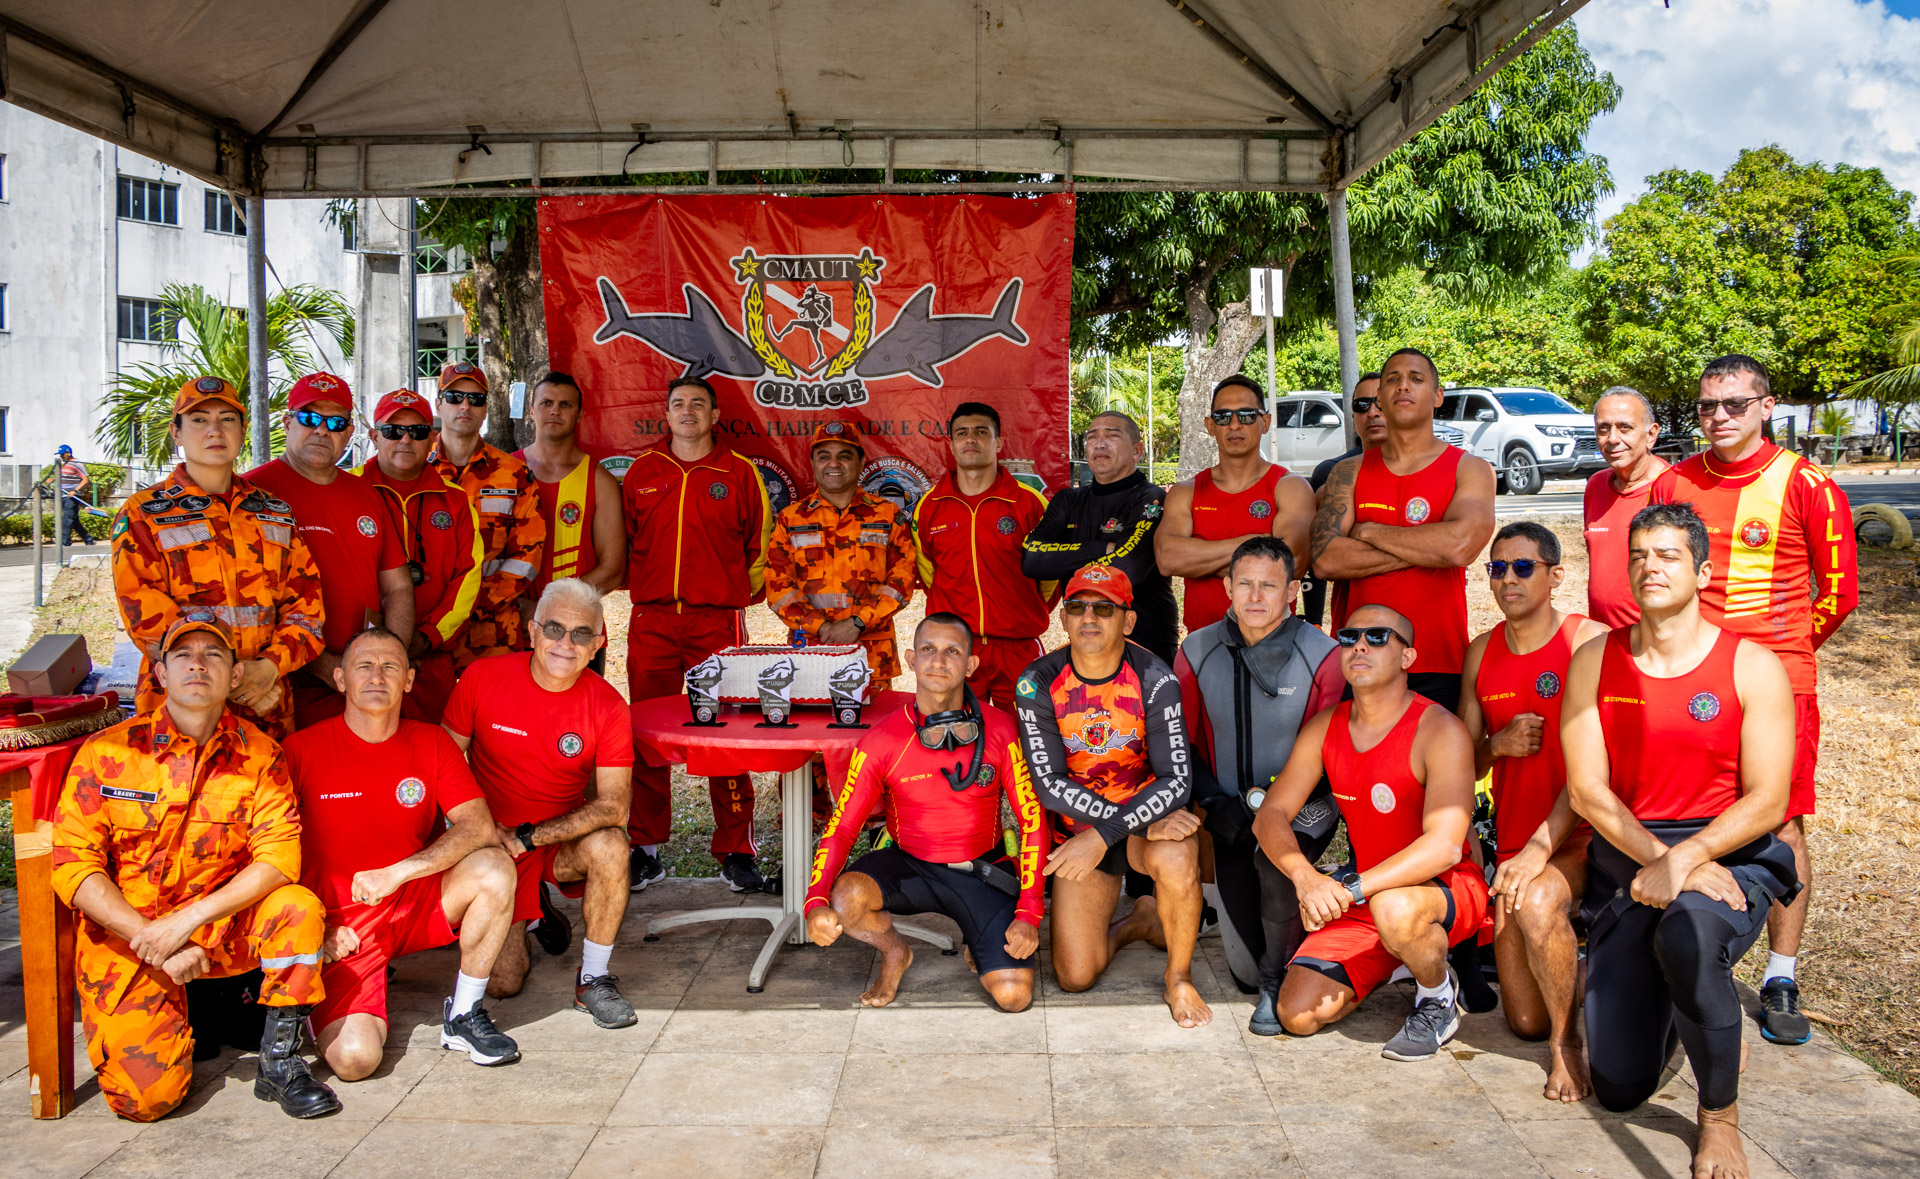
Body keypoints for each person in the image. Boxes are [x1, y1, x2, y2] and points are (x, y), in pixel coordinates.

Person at [1562, 502, 1798, 1179]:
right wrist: (1659, 861)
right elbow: (1587, 793)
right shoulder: (1595, 661)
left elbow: (1770, 798)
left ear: (1703, 568)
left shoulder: (1751, 666)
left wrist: (1689, 858)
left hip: (1728, 859)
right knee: (1619, 1087)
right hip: (1631, 863)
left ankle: (1719, 1116)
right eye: (1637, 555)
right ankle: (1696, 1005)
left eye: (1666, 554)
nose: (1649, 567)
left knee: (1690, 936)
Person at [50, 613, 339, 1121]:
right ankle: (191, 1013)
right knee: (146, 1101)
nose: (197, 665)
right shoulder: (109, 752)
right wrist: (152, 937)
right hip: (130, 937)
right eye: (183, 655)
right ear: (160, 674)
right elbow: (74, 867)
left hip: (214, 928)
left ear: (234, 676)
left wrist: (185, 923)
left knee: (297, 908)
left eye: (214, 655)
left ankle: (279, 1061)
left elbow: (278, 859)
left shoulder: (261, 755)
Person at [1651, 354, 1858, 1046]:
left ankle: (1780, 973)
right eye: (1708, 405)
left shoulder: (1806, 482)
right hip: (1689, 682)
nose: (1718, 417)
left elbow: (1839, 591)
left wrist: (1775, 661)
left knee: (1785, 821)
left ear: (1767, 406)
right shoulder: (1675, 482)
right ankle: (1679, 942)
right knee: (1686, 804)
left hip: (1779, 683)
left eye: (1735, 404)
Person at [1253, 604, 1487, 1060]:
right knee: (1296, 1014)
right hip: (1368, 893)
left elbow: (1443, 848)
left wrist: (1351, 888)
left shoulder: (1440, 729)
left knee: (1395, 908)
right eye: (1350, 636)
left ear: (1408, 657)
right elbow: (1270, 815)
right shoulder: (1326, 727)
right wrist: (1307, 878)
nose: (1360, 645)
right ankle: (1404, 958)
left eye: (1379, 637)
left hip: (1447, 886)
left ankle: (1437, 996)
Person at [287, 627, 521, 1079]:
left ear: (409, 681)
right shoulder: (300, 750)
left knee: (493, 866)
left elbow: (477, 826)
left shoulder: (431, 742)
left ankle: (464, 1016)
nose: (378, 676)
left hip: (412, 901)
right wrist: (312, 930)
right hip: (342, 925)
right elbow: (270, 854)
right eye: (364, 666)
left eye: (390, 666)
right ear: (339, 679)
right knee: (356, 1062)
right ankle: (318, 1008)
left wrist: (399, 872)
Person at [805, 613, 1048, 1011]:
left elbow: (1033, 823)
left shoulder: (1002, 731)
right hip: (910, 866)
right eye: (928, 650)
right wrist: (815, 901)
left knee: (1013, 997)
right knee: (847, 900)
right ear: (911, 659)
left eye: (952, 651)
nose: (938, 661)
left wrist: (1029, 913)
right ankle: (896, 953)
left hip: (982, 869)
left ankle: (978, 934)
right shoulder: (880, 741)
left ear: (970, 665)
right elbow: (843, 826)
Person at [1015, 565, 1209, 1028]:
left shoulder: (1155, 679)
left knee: (1181, 856)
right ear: (1063, 618)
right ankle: (1137, 923)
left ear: (1128, 620)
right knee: (1076, 977)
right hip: (1088, 834)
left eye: (1104, 608)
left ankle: (1178, 977)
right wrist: (1110, 832)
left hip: (1140, 830)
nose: (1089, 617)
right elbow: (1049, 784)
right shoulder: (1036, 681)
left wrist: (1110, 831)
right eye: (1077, 606)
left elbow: (1176, 780)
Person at [442, 578, 637, 1028]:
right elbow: (443, 766)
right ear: (531, 632)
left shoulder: (608, 706)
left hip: (549, 842)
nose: (565, 643)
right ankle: (532, 913)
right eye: (553, 628)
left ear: (598, 644)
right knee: (504, 984)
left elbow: (614, 808)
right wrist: (481, 834)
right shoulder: (481, 678)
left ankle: (594, 978)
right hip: (492, 846)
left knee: (611, 844)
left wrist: (530, 837)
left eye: (581, 633)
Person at [1458, 522, 1607, 1100]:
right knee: (1523, 1020)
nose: (1507, 579)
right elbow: (1464, 765)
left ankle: (1567, 1047)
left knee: (1541, 899)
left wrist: (1543, 848)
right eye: (1497, 568)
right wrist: (1497, 746)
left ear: (1556, 575)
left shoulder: (1588, 641)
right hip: (1517, 842)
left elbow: (1601, 771)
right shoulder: (1481, 652)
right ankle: (1584, 977)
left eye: (1523, 567)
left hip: (1586, 835)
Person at [1173, 535, 1344, 1033]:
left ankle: (1277, 981)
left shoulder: (1324, 654)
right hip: (1227, 811)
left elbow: (1330, 752)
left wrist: (1277, 810)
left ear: (1292, 590)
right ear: (1226, 586)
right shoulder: (1197, 649)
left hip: (1305, 807)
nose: (1254, 597)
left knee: (1274, 868)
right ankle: (1272, 966)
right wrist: (1210, 799)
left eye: (1269, 586)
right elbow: (1182, 740)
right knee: (1240, 972)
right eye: (1244, 583)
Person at [620, 375, 774, 892]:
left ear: (714, 416)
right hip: (654, 620)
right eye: (678, 403)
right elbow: (628, 543)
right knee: (644, 735)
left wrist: (729, 597)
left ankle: (735, 850)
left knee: (726, 734)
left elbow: (761, 550)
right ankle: (644, 847)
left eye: (698, 405)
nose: (687, 412)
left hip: (717, 622)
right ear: (666, 414)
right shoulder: (642, 471)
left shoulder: (740, 473)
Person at [112, 376, 325, 740]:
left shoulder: (273, 512)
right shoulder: (143, 514)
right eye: (198, 420)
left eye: (227, 419)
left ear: (242, 431)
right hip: (182, 711)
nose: (215, 430)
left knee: (269, 797)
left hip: (267, 708)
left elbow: (308, 610)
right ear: (176, 433)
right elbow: (145, 619)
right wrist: (233, 681)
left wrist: (270, 668)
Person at [1310, 348, 1497, 713]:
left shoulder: (1470, 469)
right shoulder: (1347, 473)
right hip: (1359, 658)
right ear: (1379, 397)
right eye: (1392, 379)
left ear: (1438, 396)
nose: (1403, 387)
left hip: (1438, 659)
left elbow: (1458, 546)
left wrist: (1368, 531)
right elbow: (1325, 560)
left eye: (1416, 378)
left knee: (1436, 770)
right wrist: (1427, 549)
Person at [248, 372, 416, 729]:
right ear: (287, 422)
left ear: (349, 433)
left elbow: (397, 587)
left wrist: (387, 662)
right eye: (310, 418)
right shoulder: (252, 493)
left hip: (364, 687)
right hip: (285, 685)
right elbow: (247, 601)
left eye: (336, 422)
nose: (322, 430)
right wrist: (326, 667)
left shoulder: (367, 493)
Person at [912, 402, 1054, 708]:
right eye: (962, 433)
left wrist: (1023, 611)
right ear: (951, 445)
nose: (971, 439)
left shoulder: (1030, 503)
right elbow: (928, 575)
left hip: (1017, 647)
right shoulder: (929, 506)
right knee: (956, 739)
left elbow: (1050, 576)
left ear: (999, 442)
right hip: (955, 650)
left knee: (1023, 739)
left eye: (981, 432)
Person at [358, 388, 483, 723]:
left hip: (428, 659)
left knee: (430, 758)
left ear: (432, 439)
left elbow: (467, 582)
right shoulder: (348, 489)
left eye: (417, 432)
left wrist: (425, 640)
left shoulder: (455, 501)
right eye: (393, 431)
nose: (405, 440)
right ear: (374, 436)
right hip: (353, 659)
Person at [1157, 375, 1314, 634]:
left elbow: (1294, 562)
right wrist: (1259, 541)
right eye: (1222, 417)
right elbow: (1167, 559)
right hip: (1203, 647)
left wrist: (1201, 563)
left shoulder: (1290, 487)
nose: (1234, 425)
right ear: (1210, 426)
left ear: (1265, 422)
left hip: (1273, 644)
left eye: (1246, 415)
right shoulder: (1187, 491)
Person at [1022, 410, 1179, 664]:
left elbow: (1128, 568)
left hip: (1146, 647)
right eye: (1092, 437)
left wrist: (1063, 556)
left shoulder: (1151, 498)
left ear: (1137, 451)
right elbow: (1032, 559)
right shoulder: (1067, 500)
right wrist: (1103, 548)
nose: (1100, 443)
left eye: (1112, 435)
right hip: (1086, 647)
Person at [768, 421, 917, 683]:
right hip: (810, 652)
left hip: (870, 654)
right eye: (824, 456)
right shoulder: (790, 520)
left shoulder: (888, 515)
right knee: (809, 723)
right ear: (813, 463)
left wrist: (857, 623)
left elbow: (902, 581)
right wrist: (823, 628)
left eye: (844, 456)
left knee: (875, 725)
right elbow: (778, 589)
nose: (833, 464)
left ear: (861, 462)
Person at [428, 360, 547, 671]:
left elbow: (528, 552)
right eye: (454, 398)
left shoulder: (513, 473)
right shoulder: (415, 470)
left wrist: (468, 606)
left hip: (491, 631)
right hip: (422, 632)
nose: (465, 405)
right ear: (439, 404)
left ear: (485, 410)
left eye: (476, 399)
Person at [518, 372, 626, 597]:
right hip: (509, 620)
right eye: (546, 403)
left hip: (574, 624)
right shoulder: (504, 472)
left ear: (579, 415)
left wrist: (549, 607)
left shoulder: (599, 480)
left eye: (565, 404)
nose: (555, 411)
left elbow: (613, 571)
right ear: (531, 411)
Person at [1582, 386, 1668, 628]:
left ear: (1651, 434)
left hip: (1656, 646)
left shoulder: (1673, 487)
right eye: (1603, 429)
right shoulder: (1596, 486)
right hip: (1606, 643)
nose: (1612, 439)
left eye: (1625, 428)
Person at [1303, 373, 1385, 627]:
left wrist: (1364, 533)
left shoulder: (1433, 469)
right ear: (1352, 416)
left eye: (1380, 403)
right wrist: (1314, 623)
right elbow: (1318, 561)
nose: (1372, 412)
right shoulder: (1332, 472)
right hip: (1353, 628)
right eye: (1362, 405)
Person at [54, 443, 92, 546]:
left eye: (62, 454)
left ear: (68, 453)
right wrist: (52, 479)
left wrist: (75, 490)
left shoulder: (77, 463)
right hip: (63, 495)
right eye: (60, 455)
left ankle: (64, 541)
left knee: (67, 518)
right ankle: (88, 538)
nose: (61, 457)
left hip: (72, 496)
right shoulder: (65, 464)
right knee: (73, 519)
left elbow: (85, 480)